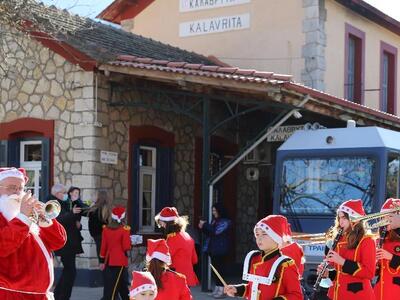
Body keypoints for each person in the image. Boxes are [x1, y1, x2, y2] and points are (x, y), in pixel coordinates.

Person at [0, 167, 67, 299]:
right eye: (11, 187)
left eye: (20, 188)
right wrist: (23, 218)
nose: (17, 193)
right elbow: (3, 246)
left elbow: (59, 242)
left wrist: (46, 221)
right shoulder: (19, 216)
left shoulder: (28, 214)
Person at [224, 214, 303, 300]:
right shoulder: (254, 259)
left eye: (264, 234)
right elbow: (253, 288)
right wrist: (237, 290)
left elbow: (296, 295)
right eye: (257, 234)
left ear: (276, 238)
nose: (259, 238)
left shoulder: (285, 264)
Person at [317, 199, 376, 300]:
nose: (340, 222)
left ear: (354, 219)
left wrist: (342, 261)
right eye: (339, 218)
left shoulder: (366, 240)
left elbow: (369, 272)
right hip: (336, 295)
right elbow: (340, 274)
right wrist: (328, 273)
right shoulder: (338, 239)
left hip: (357, 296)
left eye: (344, 218)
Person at [51, 184, 84, 300]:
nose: (66, 194)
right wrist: (72, 213)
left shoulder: (65, 203)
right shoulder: (53, 204)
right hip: (64, 243)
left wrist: (78, 225)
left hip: (69, 242)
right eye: (64, 192)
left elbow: (71, 222)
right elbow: (58, 220)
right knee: (70, 271)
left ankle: (59, 295)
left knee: (69, 271)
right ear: (57, 194)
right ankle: (61, 296)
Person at [155, 207, 199, 286]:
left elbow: (165, 258)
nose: (162, 226)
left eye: (162, 224)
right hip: (188, 276)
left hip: (176, 277)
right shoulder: (187, 235)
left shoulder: (172, 238)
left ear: (168, 224)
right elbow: (194, 260)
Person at [198, 202, 232, 298]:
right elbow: (210, 232)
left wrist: (205, 225)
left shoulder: (226, 221)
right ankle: (217, 289)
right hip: (213, 249)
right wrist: (203, 227)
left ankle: (222, 290)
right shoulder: (215, 221)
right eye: (213, 211)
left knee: (220, 270)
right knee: (215, 270)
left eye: (214, 211)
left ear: (219, 211)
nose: (213, 213)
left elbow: (216, 231)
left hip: (221, 249)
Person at [100, 206, 131, 300]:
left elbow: (103, 247)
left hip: (108, 260)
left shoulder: (105, 229)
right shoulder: (125, 229)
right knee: (116, 287)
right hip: (120, 260)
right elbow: (126, 247)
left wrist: (101, 261)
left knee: (113, 284)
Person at [374, 198, 400, 300]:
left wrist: (390, 257)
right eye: (382, 218)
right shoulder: (380, 239)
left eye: (387, 217)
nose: (384, 221)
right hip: (379, 292)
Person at [87, 190, 112, 262]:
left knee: (102, 258)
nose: (92, 197)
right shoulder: (109, 208)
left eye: (94, 195)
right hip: (107, 235)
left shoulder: (95, 209)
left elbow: (92, 224)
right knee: (108, 258)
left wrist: (93, 235)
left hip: (98, 236)